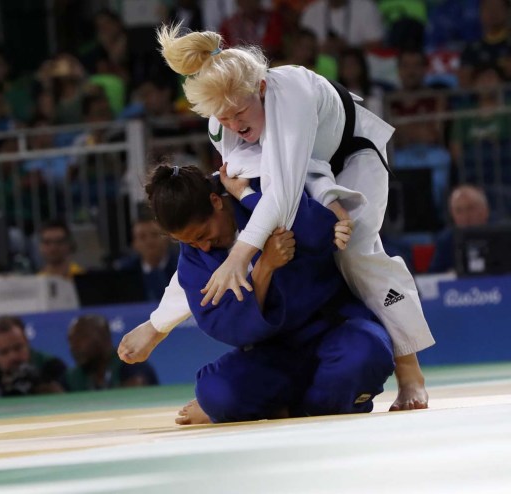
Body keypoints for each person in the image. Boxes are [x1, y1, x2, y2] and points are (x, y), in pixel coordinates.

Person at [120, 24, 435, 412]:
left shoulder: (291, 94)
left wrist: (241, 256)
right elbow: (243, 195)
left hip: (351, 157)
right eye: (223, 117)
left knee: (355, 252)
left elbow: (283, 194)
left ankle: (409, 368)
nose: (234, 125)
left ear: (261, 89)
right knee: (235, 240)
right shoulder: (224, 125)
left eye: (239, 113)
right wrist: (157, 326)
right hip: (308, 173)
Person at [138, 164, 394, 424]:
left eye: (203, 235)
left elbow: (322, 231)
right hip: (274, 355)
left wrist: (248, 197)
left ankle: (285, 411)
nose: (202, 246)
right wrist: (264, 268)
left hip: (333, 329)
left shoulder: (264, 194)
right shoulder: (194, 260)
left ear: (216, 201)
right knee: (216, 393)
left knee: (366, 351)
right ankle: (318, 406)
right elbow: (228, 327)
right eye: (190, 243)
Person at [0, 315, 67, 398]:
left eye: (18, 348)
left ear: (27, 343)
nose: (13, 357)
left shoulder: (52, 368)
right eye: (4, 352)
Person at [66, 314, 158, 392]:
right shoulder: (74, 376)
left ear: (103, 338)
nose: (74, 346)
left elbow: (137, 390)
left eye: (81, 338)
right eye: (71, 340)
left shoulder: (130, 364)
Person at [428, 184, 490, 274]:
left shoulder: (503, 237)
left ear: (485, 211)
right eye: (459, 211)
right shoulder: (445, 241)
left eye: (470, 208)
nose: (466, 216)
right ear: (452, 215)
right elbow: (434, 276)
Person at [114, 217, 178, 301]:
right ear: (134, 244)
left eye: (155, 235)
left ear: (168, 237)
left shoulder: (182, 266)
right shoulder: (124, 271)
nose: (149, 241)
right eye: (142, 237)